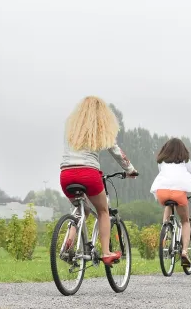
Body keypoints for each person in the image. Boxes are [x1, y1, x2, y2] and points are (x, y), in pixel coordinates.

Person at [59, 96, 138, 264]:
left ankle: (67, 246)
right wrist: (130, 170)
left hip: (66, 175)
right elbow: (116, 151)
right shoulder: (99, 128)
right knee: (103, 211)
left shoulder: (70, 127)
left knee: (82, 212)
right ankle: (107, 252)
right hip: (89, 174)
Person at [150, 138, 191, 269]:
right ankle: (184, 252)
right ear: (183, 150)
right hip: (179, 193)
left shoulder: (161, 161)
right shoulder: (185, 161)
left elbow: (164, 176)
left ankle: (164, 229)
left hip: (162, 192)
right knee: (185, 221)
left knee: (168, 205)